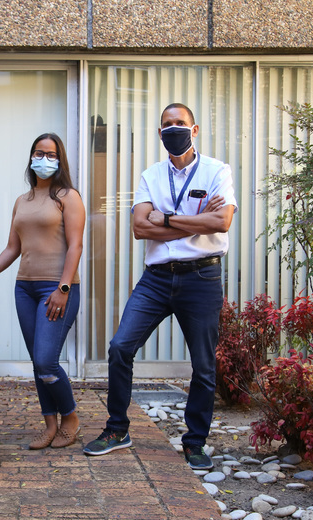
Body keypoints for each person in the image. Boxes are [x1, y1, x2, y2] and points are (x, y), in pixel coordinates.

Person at [83, 103, 237, 469]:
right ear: (159, 132)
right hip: (156, 279)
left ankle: (195, 442)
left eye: (180, 124)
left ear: (194, 129)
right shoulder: (151, 174)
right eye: (167, 125)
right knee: (120, 347)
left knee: (203, 364)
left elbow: (223, 222)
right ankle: (118, 428)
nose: (174, 129)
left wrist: (166, 218)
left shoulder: (217, 170)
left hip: (202, 277)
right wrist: (198, 220)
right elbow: (140, 228)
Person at [0, 133, 85, 449]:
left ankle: (70, 416)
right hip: (25, 289)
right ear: (30, 157)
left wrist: (62, 288)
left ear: (59, 160)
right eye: (38, 152)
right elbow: (11, 248)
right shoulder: (23, 200)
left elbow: (76, 246)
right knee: (37, 362)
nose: (43, 159)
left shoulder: (68, 196)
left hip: (56, 288)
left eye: (50, 153)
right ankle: (49, 424)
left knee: (47, 360)